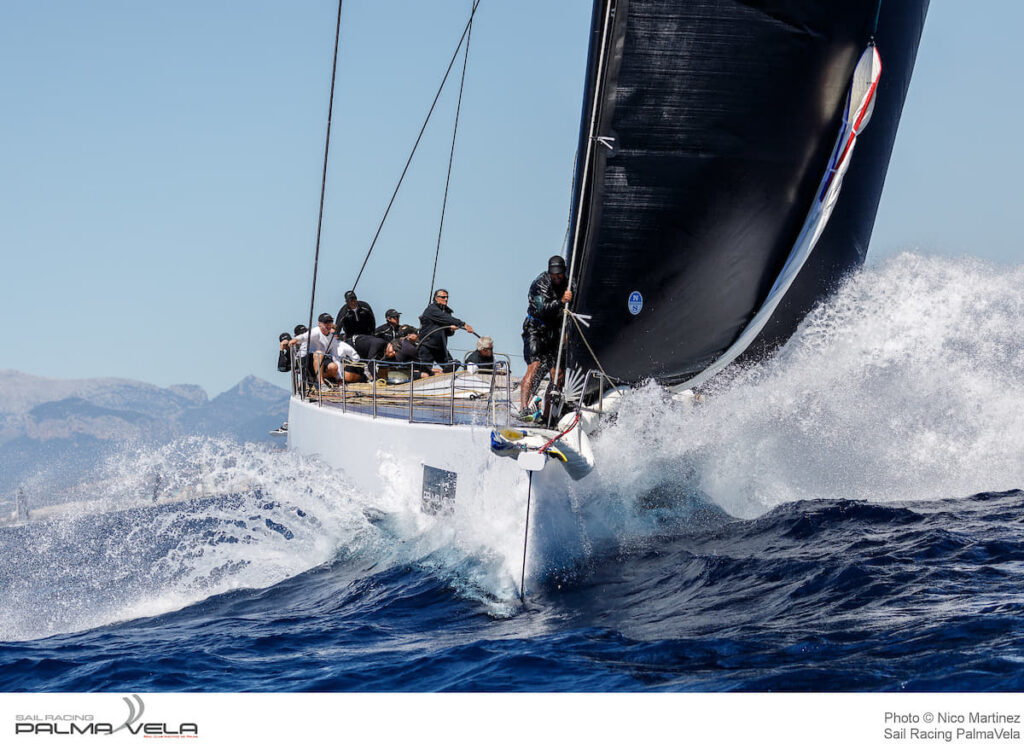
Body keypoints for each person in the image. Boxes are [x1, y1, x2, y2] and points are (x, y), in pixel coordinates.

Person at [520, 255, 572, 414]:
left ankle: (547, 413)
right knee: (534, 365)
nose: (557, 278)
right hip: (535, 328)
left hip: (554, 330)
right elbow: (543, 309)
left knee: (558, 373)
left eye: (559, 275)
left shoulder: (569, 282)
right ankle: (523, 408)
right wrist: (562, 301)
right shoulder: (540, 283)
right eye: (554, 275)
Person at [286, 313, 358, 386]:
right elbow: (304, 337)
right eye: (326, 322)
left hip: (321, 360)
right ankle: (321, 383)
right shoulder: (316, 331)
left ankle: (318, 378)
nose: (328, 324)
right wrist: (295, 340)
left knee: (333, 366)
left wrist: (340, 378)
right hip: (307, 360)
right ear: (319, 324)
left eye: (330, 322)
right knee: (319, 353)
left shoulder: (332, 339)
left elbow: (336, 357)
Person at [417, 288, 474, 374]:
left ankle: (442, 377)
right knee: (425, 371)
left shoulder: (447, 311)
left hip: (440, 347)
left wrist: (451, 329)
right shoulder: (431, 309)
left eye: (447, 297)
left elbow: (448, 332)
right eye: (443, 297)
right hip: (427, 346)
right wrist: (463, 324)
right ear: (436, 298)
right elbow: (446, 318)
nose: (446, 299)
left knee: (452, 366)